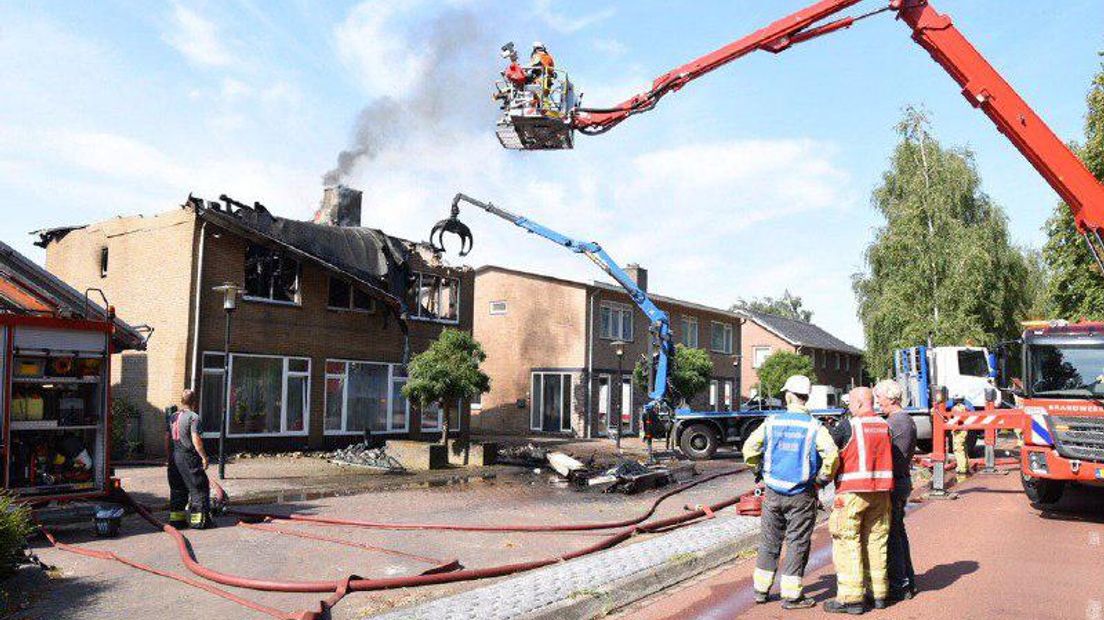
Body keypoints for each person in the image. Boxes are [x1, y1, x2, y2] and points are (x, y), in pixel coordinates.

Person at [742, 374, 839, 609]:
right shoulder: (815, 427)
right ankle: (792, 595)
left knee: (769, 542)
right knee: (797, 543)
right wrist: (822, 480)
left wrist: (759, 472)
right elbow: (832, 456)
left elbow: (749, 449)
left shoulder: (772, 422)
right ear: (806, 398)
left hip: (773, 491)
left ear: (788, 396)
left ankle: (761, 590)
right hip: (802, 494)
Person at [824, 387, 894, 614]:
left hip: (852, 494)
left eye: (851, 403)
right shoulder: (885, 426)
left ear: (860, 403)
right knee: (876, 541)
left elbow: (830, 454)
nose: (849, 407)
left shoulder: (847, 426)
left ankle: (851, 599)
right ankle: (879, 593)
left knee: (847, 542)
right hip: (882, 494)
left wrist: (821, 480)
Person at [875, 379, 918, 600]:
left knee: (892, 535)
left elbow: (889, 457)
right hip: (902, 482)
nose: (877, 402)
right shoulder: (904, 420)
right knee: (898, 533)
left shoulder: (896, 423)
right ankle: (908, 581)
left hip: (894, 484)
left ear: (891, 398)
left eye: (879, 398)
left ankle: (899, 584)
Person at [166, 389, 213, 529]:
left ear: (181, 401)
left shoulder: (172, 417)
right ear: (194, 401)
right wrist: (204, 457)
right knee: (199, 487)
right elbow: (196, 439)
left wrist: (169, 456)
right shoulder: (193, 417)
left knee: (177, 489)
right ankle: (199, 521)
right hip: (188, 456)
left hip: (175, 457)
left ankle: (177, 520)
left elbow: (167, 438)